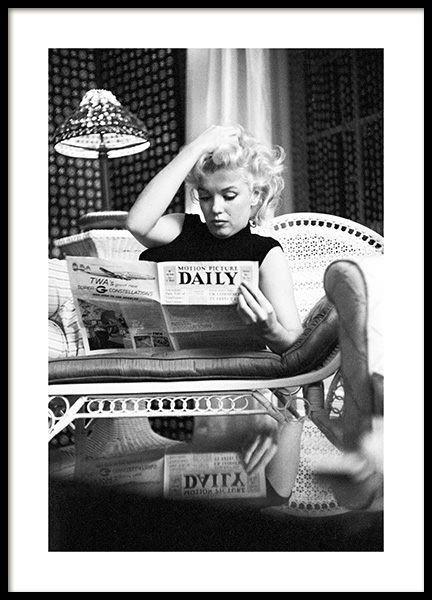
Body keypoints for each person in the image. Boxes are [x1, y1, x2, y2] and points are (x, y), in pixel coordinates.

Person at [126, 124, 304, 485]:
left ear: (255, 195)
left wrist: (270, 329)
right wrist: (196, 147)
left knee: (273, 493)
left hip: (238, 402)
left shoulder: (265, 254)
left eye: (229, 195)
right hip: (168, 388)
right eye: (205, 196)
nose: (215, 209)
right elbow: (137, 223)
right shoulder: (182, 228)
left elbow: (299, 349)